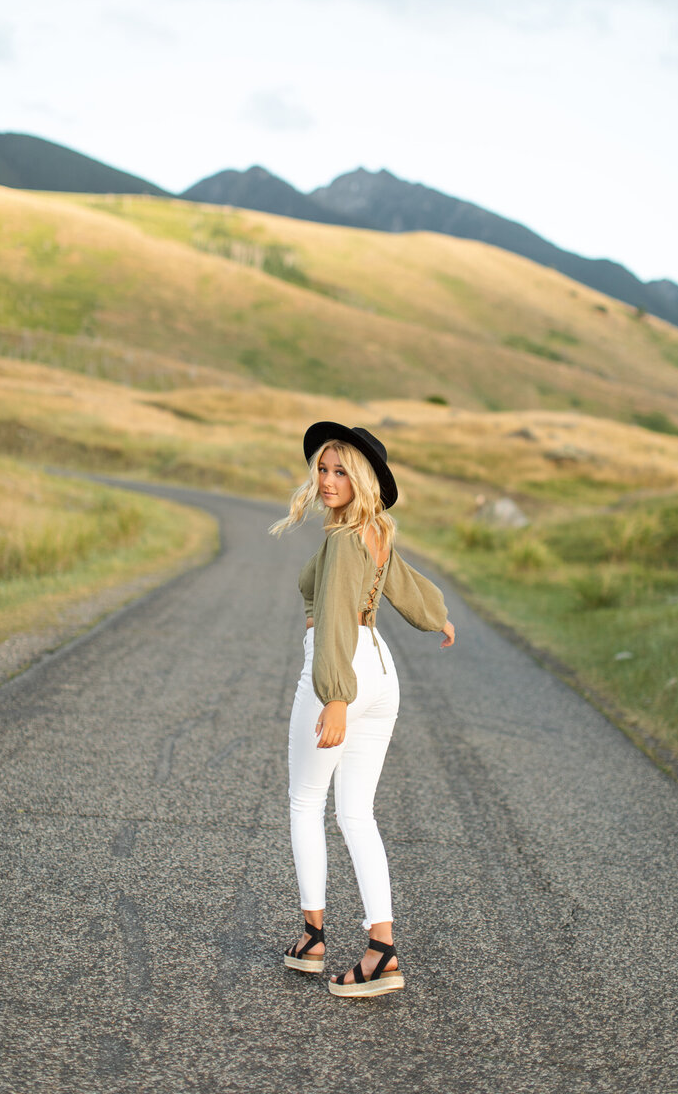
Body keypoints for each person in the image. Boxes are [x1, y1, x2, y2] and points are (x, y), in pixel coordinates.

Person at [269, 422, 455, 997]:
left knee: (306, 802)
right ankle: (382, 950)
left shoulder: (347, 540)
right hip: (381, 671)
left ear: (363, 477)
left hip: (344, 670)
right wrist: (438, 617)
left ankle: (313, 939)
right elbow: (403, 586)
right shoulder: (371, 532)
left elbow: (330, 622)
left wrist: (334, 697)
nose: (327, 481)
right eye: (322, 469)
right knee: (356, 813)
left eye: (340, 470)